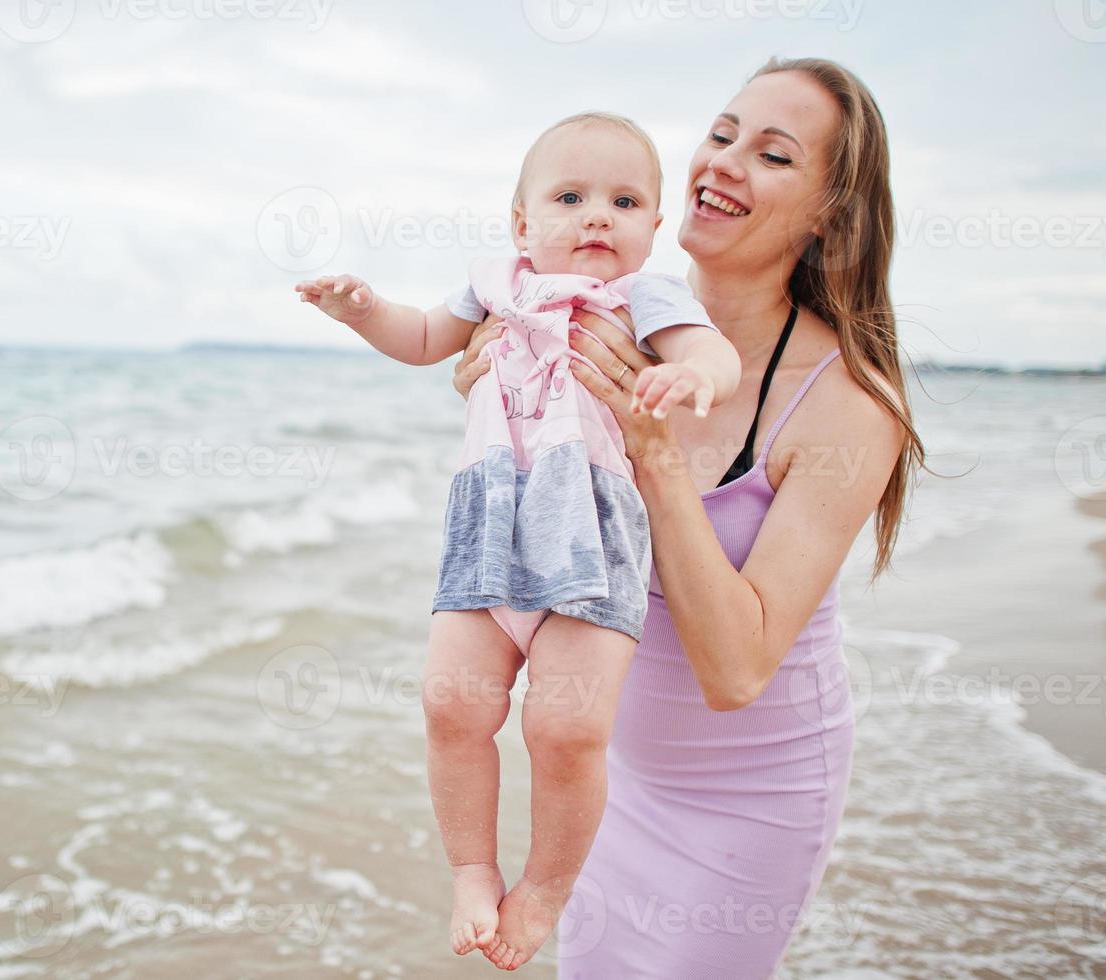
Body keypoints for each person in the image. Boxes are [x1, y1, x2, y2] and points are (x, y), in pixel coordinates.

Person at [449, 57, 923, 976]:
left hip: (748, 800)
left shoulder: (848, 403)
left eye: (774, 155)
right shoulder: (611, 316)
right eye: (720, 135)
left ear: (830, 211)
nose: (725, 163)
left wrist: (657, 460)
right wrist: (488, 391)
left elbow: (736, 669)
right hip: (607, 781)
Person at [295, 111, 740, 969]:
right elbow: (424, 340)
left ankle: (542, 888)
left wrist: (690, 374)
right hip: (485, 524)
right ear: (521, 223)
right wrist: (364, 312)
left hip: (590, 533)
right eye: (570, 197)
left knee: (566, 729)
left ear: (654, 227)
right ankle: (470, 868)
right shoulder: (494, 284)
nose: (596, 216)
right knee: (450, 703)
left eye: (624, 200)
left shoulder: (644, 298)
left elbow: (709, 351)